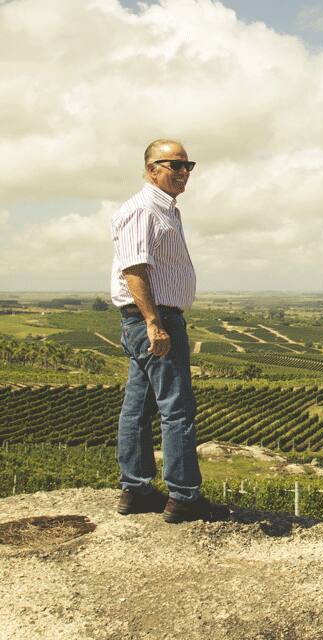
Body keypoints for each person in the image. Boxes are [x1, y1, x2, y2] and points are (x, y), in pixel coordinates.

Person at [110, 139, 224, 522]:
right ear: (150, 169)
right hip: (154, 319)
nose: (183, 172)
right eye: (173, 164)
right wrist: (154, 322)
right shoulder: (143, 209)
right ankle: (184, 496)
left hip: (150, 319)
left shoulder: (166, 210)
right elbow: (134, 269)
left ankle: (137, 489)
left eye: (187, 165)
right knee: (177, 409)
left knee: (138, 407)